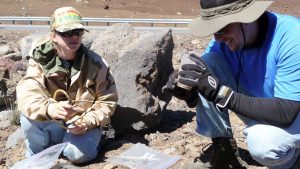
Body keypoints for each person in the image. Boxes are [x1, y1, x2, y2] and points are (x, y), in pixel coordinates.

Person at [163, 0, 300, 168]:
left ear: (248, 19)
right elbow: (207, 82)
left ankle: (294, 160)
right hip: (268, 107)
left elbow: (286, 112)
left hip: (292, 111)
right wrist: (188, 92)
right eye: (214, 30)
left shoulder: (292, 36)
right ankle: (224, 149)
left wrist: (221, 94)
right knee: (205, 64)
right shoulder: (226, 41)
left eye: (221, 28)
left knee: (264, 145)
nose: (217, 38)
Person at [16, 6, 118, 164]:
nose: (74, 37)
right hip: (52, 119)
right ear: (53, 36)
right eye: (67, 33)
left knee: (77, 155)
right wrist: (51, 108)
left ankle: (74, 148)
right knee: (27, 119)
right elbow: (28, 95)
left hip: (81, 123)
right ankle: (38, 155)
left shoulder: (97, 65)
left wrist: (87, 122)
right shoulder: (40, 60)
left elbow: (107, 101)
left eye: (78, 32)